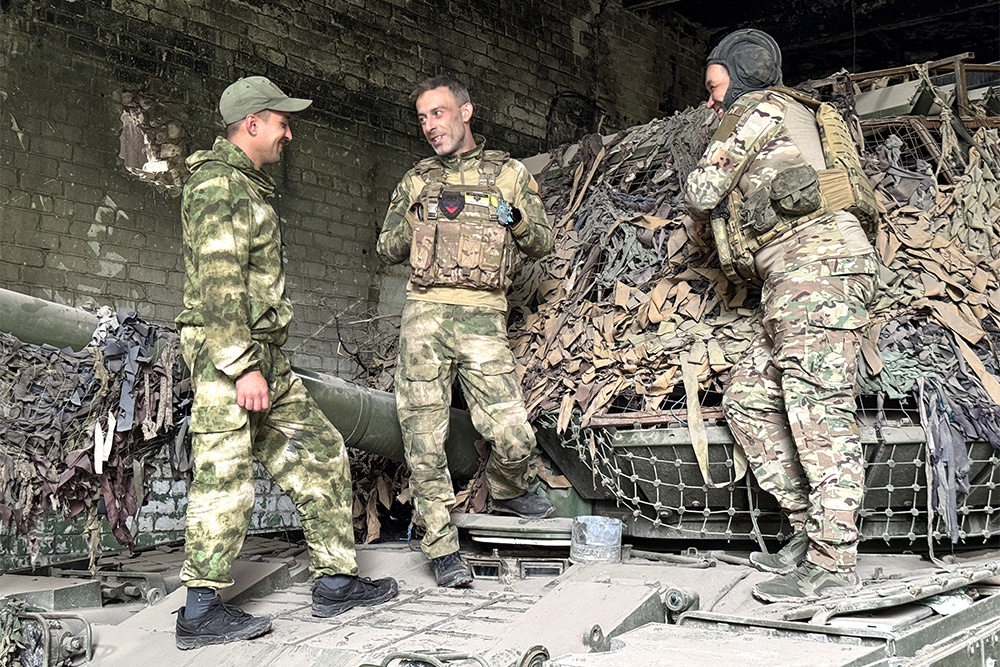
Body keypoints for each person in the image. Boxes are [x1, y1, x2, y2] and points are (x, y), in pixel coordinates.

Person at [174, 75, 398, 649]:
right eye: (281, 121)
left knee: (321, 452)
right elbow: (220, 285)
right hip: (232, 360)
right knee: (225, 480)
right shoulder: (216, 186)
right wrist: (242, 364)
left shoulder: (248, 187)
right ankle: (198, 613)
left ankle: (334, 581)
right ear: (252, 123)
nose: (288, 132)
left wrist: (262, 360)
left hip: (266, 358)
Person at [684, 30, 879, 602]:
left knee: (818, 407)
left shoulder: (758, 110)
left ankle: (834, 559)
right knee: (749, 400)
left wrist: (713, 139)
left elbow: (700, 191)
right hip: (795, 275)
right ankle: (806, 527)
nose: (712, 100)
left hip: (817, 268)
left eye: (715, 86)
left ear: (739, 79)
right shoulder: (791, 115)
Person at [377, 76, 556, 588]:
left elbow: (541, 241)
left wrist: (515, 219)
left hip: (482, 317)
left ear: (466, 112)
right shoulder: (417, 179)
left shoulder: (508, 173)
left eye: (439, 113)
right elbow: (386, 248)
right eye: (423, 118)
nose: (431, 126)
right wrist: (413, 224)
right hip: (424, 319)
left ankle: (507, 486)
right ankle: (440, 547)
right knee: (423, 441)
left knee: (513, 432)